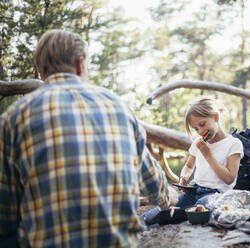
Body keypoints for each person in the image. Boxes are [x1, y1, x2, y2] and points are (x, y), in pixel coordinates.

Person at [0, 29, 177, 248]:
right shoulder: (120, 108)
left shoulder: (13, 118)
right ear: (80, 64)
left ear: (40, 71)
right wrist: (169, 196)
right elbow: (154, 186)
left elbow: (5, 216)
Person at [175, 96, 244, 209]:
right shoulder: (198, 143)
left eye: (202, 124)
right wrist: (184, 177)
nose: (200, 131)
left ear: (216, 117)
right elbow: (188, 166)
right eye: (196, 129)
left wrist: (207, 155)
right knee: (171, 206)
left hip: (217, 195)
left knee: (201, 206)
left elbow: (229, 179)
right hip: (195, 191)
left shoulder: (234, 144)